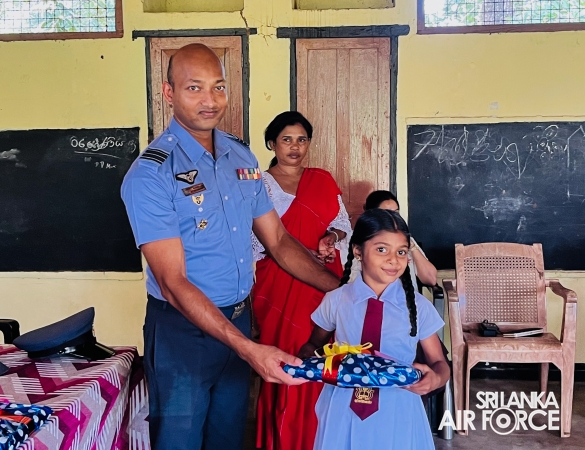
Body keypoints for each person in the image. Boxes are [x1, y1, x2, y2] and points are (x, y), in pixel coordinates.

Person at [120, 44, 340, 450]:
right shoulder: (151, 174)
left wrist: (342, 291)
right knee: (179, 442)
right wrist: (249, 349)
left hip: (239, 320)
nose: (210, 100)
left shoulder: (240, 156)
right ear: (169, 93)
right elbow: (172, 282)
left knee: (227, 438)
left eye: (218, 87)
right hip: (182, 335)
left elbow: (278, 241)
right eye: (194, 87)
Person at [298, 209, 450, 449]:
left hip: (398, 409)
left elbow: (440, 363)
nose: (394, 260)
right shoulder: (336, 301)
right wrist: (307, 363)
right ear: (358, 251)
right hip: (342, 408)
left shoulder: (419, 307)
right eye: (382, 249)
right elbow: (312, 347)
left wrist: (436, 378)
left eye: (401, 252)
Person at [251, 111, 352, 450]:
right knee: (288, 358)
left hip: (324, 282)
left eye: (301, 140)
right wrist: (302, 252)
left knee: (326, 355)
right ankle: (285, 438)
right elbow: (258, 239)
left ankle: (323, 438)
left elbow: (343, 223)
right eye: (286, 140)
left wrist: (331, 238)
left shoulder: (321, 179)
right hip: (280, 284)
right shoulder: (260, 184)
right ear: (272, 144)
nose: (295, 147)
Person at [349, 190, 437, 287]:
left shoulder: (406, 241)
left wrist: (412, 247)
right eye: (381, 249)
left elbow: (431, 279)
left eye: (396, 213)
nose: (392, 218)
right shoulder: (358, 242)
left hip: (407, 296)